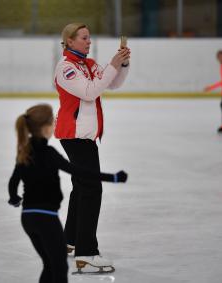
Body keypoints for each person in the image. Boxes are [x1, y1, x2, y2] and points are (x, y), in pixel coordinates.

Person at [8, 104, 127, 282]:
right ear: (47, 128)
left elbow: (13, 182)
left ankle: (70, 241)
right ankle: (85, 254)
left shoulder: (24, 153)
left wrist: (14, 198)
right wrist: (113, 178)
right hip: (47, 219)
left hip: (27, 218)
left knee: (50, 264)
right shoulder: (49, 154)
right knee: (58, 266)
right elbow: (80, 172)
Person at [53, 23, 130, 273]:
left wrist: (122, 65)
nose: (89, 41)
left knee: (82, 186)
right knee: (91, 189)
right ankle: (86, 254)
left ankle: (70, 241)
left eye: (89, 37)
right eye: (84, 38)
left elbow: (113, 84)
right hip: (74, 135)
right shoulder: (66, 68)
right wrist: (111, 66)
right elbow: (90, 92)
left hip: (86, 136)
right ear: (70, 41)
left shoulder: (89, 63)